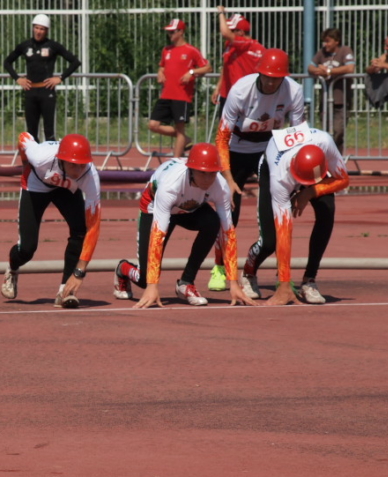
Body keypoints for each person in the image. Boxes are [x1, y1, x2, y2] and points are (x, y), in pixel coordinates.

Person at [113, 144, 256, 308]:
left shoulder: (221, 186)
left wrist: (234, 283)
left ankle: (186, 283)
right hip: (154, 207)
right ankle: (123, 269)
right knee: (145, 279)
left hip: (189, 207)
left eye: (212, 174)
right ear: (191, 170)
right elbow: (158, 235)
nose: (207, 179)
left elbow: (228, 233)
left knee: (213, 222)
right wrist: (152, 286)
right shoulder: (170, 186)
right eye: (202, 173)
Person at [208, 48, 305, 292]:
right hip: (236, 149)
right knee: (229, 210)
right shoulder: (240, 90)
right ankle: (219, 267)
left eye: (277, 78)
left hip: (270, 148)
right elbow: (222, 137)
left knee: (278, 209)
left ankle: (283, 274)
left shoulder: (294, 91)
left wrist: (295, 177)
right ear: (259, 73)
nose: (271, 82)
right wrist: (228, 178)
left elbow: (298, 136)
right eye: (267, 77)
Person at [240, 125, 349, 305]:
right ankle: (248, 272)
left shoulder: (325, 142)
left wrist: (310, 192)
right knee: (270, 241)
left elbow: (343, 179)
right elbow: (284, 230)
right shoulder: (279, 177)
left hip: (311, 166)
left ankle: (310, 279)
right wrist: (284, 286)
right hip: (274, 167)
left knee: (327, 208)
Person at [1, 133, 101, 309]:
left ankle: (65, 291)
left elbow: (93, 226)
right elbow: (24, 137)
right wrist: (25, 163)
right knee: (27, 248)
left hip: (66, 189)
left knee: (80, 231)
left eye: (82, 165)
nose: (78, 170)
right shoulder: (40, 157)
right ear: (61, 160)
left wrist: (79, 272)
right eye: (72, 164)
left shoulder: (90, 175)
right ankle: (12, 267)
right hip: (36, 186)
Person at [3, 14, 81, 142]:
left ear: (47, 30)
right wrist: (17, 78)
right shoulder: (25, 45)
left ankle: (50, 154)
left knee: (49, 131)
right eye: (36, 28)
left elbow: (75, 62)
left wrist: (60, 78)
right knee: (31, 133)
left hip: (47, 92)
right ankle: (33, 155)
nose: (38, 31)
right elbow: (7, 62)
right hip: (30, 92)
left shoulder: (53, 46)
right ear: (33, 28)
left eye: (42, 29)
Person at [148, 19, 211, 158]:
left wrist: (191, 72)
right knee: (153, 125)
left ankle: (175, 160)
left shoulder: (191, 50)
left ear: (181, 32)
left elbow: (207, 67)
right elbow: (162, 66)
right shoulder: (166, 50)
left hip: (182, 96)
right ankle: (185, 139)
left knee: (180, 128)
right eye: (169, 32)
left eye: (172, 32)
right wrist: (160, 73)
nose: (170, 35)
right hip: (166, 94)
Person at [308, 28, 355, 155]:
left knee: (338, 131)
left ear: (336, 41)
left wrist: (329, 71)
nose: (325, 44)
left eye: (328, 41)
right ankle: (327, 157)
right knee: (325, 132)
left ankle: (337, 157)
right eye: (324, 41)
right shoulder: (322, 52)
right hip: (325, 99)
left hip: (341, 99)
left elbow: (350, 68)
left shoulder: (345, 50)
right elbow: (310, 66)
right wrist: (318, 70)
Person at [210, 8, 265, 116]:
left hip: (244, 95)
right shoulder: (230, 45)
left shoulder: (248, 44)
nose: (230, 34)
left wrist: (221, 13)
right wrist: (218, 88)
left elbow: (225, 33)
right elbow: (226, 66)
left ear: (241, 32)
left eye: (232, 30)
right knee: (224, 125)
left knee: (244, 125)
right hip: (227, 93)